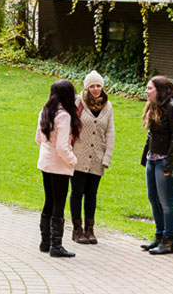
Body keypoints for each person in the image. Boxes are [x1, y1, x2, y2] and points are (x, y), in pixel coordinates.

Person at [140, 76, 173, 255]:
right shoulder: (154, 106)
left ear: (160, 90)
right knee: (153, 198)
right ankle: (159, 236)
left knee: (166, 202)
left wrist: (169, 165)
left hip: (168, 160)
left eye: (150, 88)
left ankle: (168, 241)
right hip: (154, 158)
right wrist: (145, 157)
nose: (147, 91)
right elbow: (151, 134)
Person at [35, 79, 80, 258]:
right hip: (58, 164)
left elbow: (38, 137)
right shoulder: (64, 115)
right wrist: (72, 160)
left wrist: (48, 147)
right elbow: (62, 147)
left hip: (45, 162)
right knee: (58, 203)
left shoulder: (46, 110)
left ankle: (45, 242)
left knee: (49, 200)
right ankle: (56, 245)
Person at [69, 71, 115, 245]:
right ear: (86, 87)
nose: (96, 89)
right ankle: (77, 229)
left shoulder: (108, 106)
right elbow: (70, 127)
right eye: (92, 86)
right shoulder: (77, 102)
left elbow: (110, 133)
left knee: (91, 194)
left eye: (99, 86)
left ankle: (90, 229)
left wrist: (107, 157)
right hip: (78, 156)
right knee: (77, 192)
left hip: (97, 157)